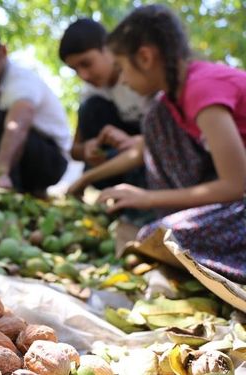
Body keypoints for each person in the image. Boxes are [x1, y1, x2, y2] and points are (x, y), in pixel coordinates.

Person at [86, 5, 246, 282]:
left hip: (238, 199)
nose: (122, 79)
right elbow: (142, 147)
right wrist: (86, 180)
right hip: (233, 200)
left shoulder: (202, 88)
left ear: (145, 57)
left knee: (163, 237)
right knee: (155, 118)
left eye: (122, 68)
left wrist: (148, 198)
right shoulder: (170, 102)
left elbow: (235, 185)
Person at [0, 24, 71, 197]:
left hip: (52, 161)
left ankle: (6, 193)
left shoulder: (21, 80)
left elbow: (17, 126)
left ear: (2, 52)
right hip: (23, 157)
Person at [59, 19, 151, 189]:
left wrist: (139, 141)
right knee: (90, 108)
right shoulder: (91, 92)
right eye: (75, 70)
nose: (83, 75)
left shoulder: (143, 78)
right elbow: (75, 149)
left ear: (108, 49)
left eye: (86, 63)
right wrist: (88, 149)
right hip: (124, 155)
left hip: (154, 153)